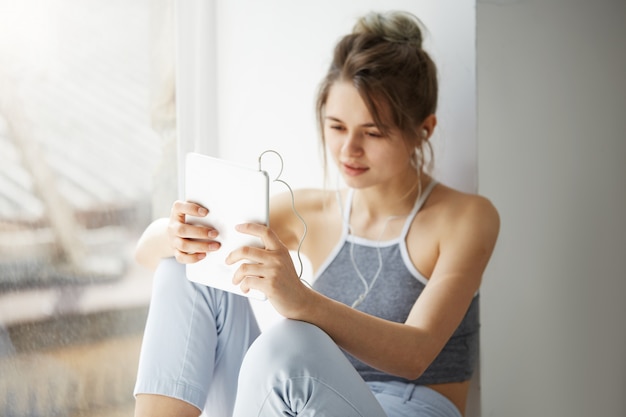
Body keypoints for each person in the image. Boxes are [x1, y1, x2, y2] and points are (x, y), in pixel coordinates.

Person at [132, 10, 499, 417]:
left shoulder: (466, 217)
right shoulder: (313, 210)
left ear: (423, 130)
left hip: (411, 408)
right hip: (305, 406)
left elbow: (417, 354)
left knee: (288, 345)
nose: (349, 150)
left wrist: (300, 301)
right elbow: (147, 256)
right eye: (337, 127)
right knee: (186, 269)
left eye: (372, 132)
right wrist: (178, 235)